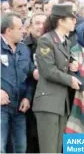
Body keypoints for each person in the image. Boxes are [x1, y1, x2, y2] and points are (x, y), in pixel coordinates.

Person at [32, 5, 81, 153]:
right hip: (48, 102)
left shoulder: (65, 41)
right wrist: (70, 80)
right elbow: (48, 70)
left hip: (60, 102)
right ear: (61, 20)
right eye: (71, 18)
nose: (74, 21)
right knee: (49, 149)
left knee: (58, 148)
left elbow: (64, 64)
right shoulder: (46, 40)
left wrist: (73, 64)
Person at [1, 12, 34, 153]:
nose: (24, 31)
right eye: (20, 28)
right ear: (9, 31)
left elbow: (31, 76)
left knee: (21, 148)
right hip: (1, 108)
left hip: (19, 109)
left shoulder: (24, 49)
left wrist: (28, 97)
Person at [23, 12, 47, 153]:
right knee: (30, 138)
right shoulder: (22, 46)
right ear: (30, 26)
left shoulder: (55, 44)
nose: (41, 26)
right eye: (37, 23)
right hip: (28, 97)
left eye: (44, 23)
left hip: (49, 97)